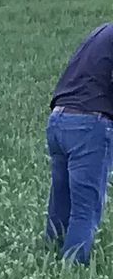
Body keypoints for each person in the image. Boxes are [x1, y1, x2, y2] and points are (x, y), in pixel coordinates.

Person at [47, 21, 113, 263]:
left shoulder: (102, 32)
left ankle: (46, 265)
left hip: (58, 119)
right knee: (85, 210)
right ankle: (69, 275)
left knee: (60, 203)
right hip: (89, 124)